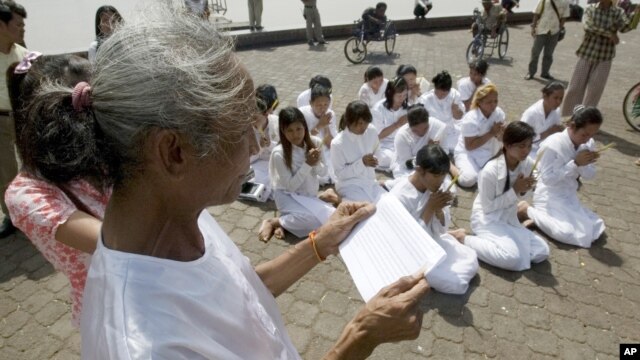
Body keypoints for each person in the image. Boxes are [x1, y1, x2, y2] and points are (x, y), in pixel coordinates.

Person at [67, 7, 429, 358]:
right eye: (243, 130)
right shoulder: (147, 347)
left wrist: (323, 241)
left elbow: (242, 290)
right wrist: (360, 336)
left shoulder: (176, 211)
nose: (257, 144)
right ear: (174, 152)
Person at [5, 53, 107, 326]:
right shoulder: (27, 195)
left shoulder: (101, 152)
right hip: (111, 308)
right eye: (89, 103)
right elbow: (117, 242)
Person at [391, 144, 479, 294]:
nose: (440, 181)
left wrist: (438, 210)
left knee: (471, 259)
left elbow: (441, 230)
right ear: (419, 170)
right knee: (455, 283)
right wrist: (430, 208)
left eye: (443, 176)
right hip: (411, 251)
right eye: (436, 176)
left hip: (433, 241)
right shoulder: (400, 197)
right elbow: (405, 240)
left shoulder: (434, 187)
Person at [466, 122, 550, 271]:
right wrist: (515, 189)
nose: (526, 151)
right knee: (511, 258)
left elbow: (529, 187)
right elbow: (488, 207)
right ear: (507, 145)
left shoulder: (527, 163)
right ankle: (463, 239)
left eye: (529, 146)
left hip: (509, 217)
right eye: (521, 146)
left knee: (542, 251)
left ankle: (512, 240)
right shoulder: (490, 171)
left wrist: (527, 188)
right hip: (488, 218)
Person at [527, 106, 605, 248]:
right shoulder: (552, 144)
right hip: (550, 195)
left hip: (569, 195)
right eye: (584, 134)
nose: (587, 139)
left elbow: (589, 176)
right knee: (565, 233)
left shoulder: (587, 143)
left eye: (591, 135)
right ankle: (527, 210)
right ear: (572, 126)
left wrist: (585, 164)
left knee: (595, 226)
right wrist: (575, 163)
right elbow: (547, 179)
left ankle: (540, 220)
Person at [259, 107, 337, 242]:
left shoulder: (316, 142)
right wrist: (307, 164)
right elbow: (290, 187)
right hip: (287, 195)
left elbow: (324, 173)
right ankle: (273, 222)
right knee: (312, 221)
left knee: (331, 217)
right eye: (289, 130)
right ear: (283, 132)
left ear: (305, 128)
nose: (295, 135)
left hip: (308, 193)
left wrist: (315, 162)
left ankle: (286, 221)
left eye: (299, 129)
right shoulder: (279, 153)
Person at [561, 0, 640, 116]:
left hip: (605, 56)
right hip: (587, 53)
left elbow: (626, 27)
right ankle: (567, 117)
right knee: (575, 88)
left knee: (595, 91)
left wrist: (637, 14)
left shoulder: (618, 12)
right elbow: (588, 26)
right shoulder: (591, 9)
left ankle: (584, 118)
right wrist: (609, 34)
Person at [0, 0, 27, 238]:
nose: (22, 28)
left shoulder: (24, 55)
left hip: (23, 117)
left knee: (32, 166)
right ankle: (11, 217)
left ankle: (33, 212)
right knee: (5, 172)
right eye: (18, 24)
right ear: (2, 25)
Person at [332, 101, 387, 203]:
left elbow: (377, 151)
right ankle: (333, 197)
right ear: (349, 121)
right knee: (365, 208)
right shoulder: (337, 143)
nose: (363, 127)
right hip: (349, 184)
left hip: (369, 180)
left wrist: (375, 160)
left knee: (386, 203)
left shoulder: (371, 130)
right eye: (360, 123)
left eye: (366, 122)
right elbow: (340, 174)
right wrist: (362, 163)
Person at [454, 83, 506, 188]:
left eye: (495, 101)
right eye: (489, 102)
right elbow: (469, 146)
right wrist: (491, 133)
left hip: (488, 152)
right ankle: (448, 165)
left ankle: (482, 171)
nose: (493, 105)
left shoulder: (499, 113)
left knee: (501, 177)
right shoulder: (471, 119)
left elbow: (501, 139)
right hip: (468, 153)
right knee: (468, 180)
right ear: (480, 102)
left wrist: (501, 134)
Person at [391, 105, 448, 179]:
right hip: (408, 169)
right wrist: (427, 152)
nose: (421, 133)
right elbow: (407, 164)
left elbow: (445, 151)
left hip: (434, 166)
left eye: (425, 128)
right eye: (415, 131)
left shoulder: (437, 126)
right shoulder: (402, 135)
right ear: (409, 125)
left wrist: (437, 150)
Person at [419, 71, 466, 155]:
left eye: (444, 93)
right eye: (438, 91)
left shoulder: (454, 95)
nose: (440, 95)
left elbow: (459, 117)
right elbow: (421, 122)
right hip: (432, 132)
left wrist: (455, 109)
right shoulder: (425, 99)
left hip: (450, 131)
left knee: (462, 147)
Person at [247, 84, 280, 201]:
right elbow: (246, 158)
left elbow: (284, 148)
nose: (267, 114)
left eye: (269, 111)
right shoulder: (244, 126)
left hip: (270, 163)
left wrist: (269, 144)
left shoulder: (275, 122)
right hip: (252, 166)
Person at [299, 84, 337, 184]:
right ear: (311, 103)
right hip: (308, 151)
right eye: (319, 105)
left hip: (325, 150)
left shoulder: (331, 114)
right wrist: (319, 125)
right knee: (319, 176)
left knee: (337, 170)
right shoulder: (303, 114)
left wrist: (326, 126)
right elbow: (301, 140)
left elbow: (329, 143)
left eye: (326, 105)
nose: (323, 108)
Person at [525, 0, 568, 81]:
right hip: (541, 29)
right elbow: (536, 13)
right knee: (535, 52)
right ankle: (531, 72)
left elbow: (564, 17)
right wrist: (533, 28)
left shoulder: (565, 2)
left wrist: (559, 29)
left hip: (554, 31)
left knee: (549, 54)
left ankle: (545, 73)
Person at [372, 76, 409, 170]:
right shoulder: (378, 109)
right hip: (384, 145)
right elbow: (379, 136)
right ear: (390, 94)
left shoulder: (408, 108)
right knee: (381, 158)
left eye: (405, 95)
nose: (402, 99)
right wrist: (397, 124)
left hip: (403, 143)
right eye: (399, 96)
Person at [520, 81, 565, 158]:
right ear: (545, 96)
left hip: (548, 149)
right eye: (555, 98)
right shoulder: (531, 113)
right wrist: (547, 132)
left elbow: (555, 132)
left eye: (561, 98)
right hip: (529, 151)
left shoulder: (556, 111)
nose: (559, 102)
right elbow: (521, 138)